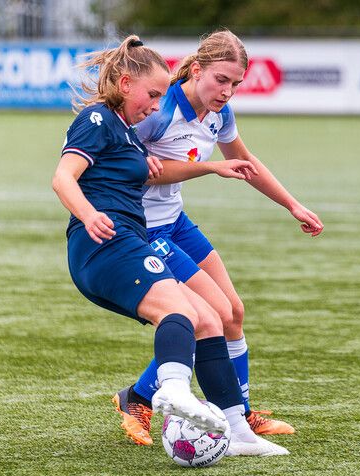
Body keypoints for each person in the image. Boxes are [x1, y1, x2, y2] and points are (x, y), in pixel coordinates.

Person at [52, 35, 287, 457]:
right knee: (183, 312)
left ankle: (236, 428)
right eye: (152, 95)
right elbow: (63, 177)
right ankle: (164, 393)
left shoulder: (127, 129)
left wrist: (293, 205)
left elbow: (134, 162)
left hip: (142, 233)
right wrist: (89, 214)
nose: (157, 105)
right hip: (114, 241)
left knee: (213, 316)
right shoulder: (101, 120)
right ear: (126, 84)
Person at [112, 30, 324, 447]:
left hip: (176, 222)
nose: (227, 92)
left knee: (234, 313)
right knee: (209, 317)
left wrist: (292, 205)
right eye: (221, 80)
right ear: (196, 70)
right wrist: (207, 170)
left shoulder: (218, 114)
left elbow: (244, 162)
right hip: (144, 228)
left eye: (236, 84)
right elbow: (134, 169)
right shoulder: (158, 111)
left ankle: (234, 413)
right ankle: (141, 398)